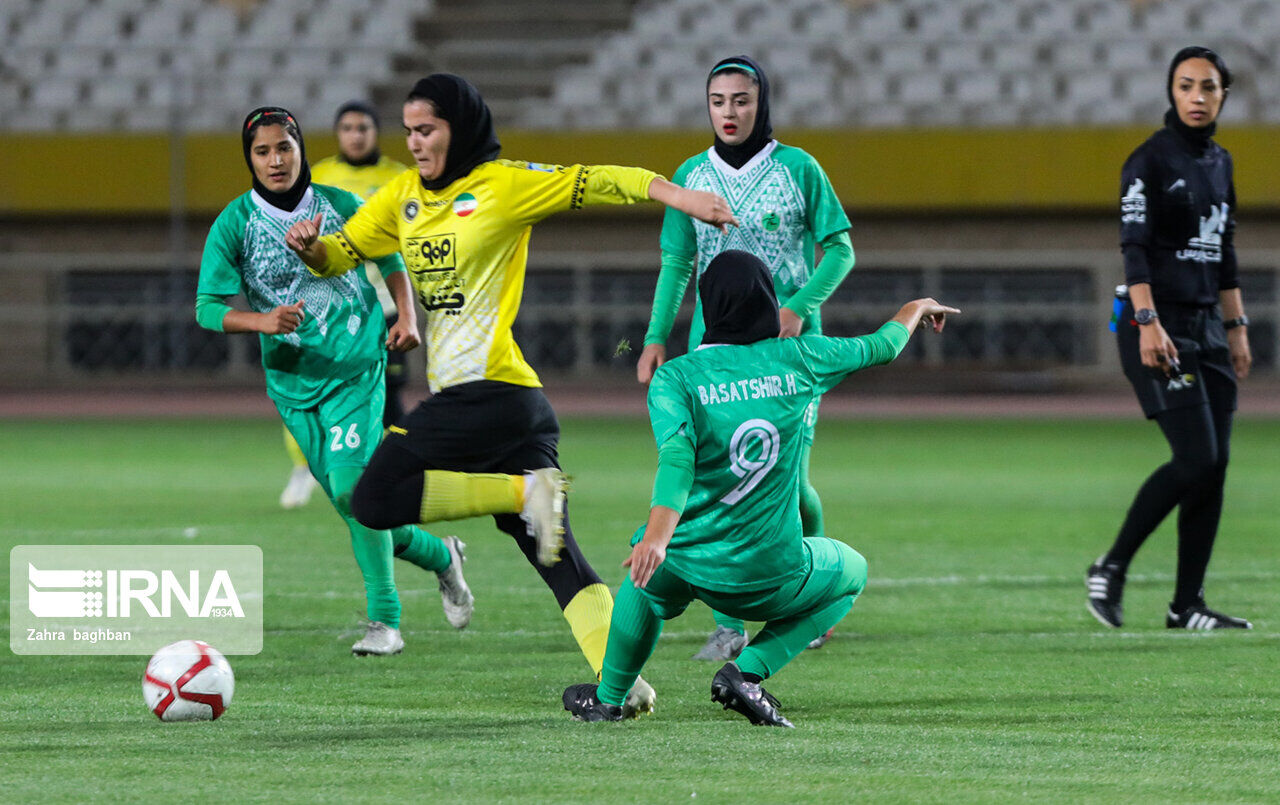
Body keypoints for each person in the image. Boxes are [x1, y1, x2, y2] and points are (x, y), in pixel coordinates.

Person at [284, 73, 738, 711]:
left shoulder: (501, 185)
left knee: (375, 496)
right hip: (510, 408)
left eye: (428, 130)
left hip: (490, 393)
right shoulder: (401, 197)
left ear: (460, 128)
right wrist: (313, 251)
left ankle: (524, 494)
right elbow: (344, 252)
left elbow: (598, 179)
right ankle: (624, 687)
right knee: (556, 559)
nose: (414, 142)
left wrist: (680, 196)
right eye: (409, 130)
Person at [563, 251, 958, 726]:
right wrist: (914, 307)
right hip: (769, 575)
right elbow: (882, 345)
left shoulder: (677, 377)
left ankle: (609, 698)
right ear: (769, 303)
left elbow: (677, 461)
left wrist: (657, 538)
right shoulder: (800, 356)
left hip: (691, 563)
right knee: (853, 572)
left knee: (644, 579)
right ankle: (746, 673)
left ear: (707, 310)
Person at [195, 105, 474, 656]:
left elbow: (393, 257)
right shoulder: (236, 223)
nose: (275, 160)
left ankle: (385, 623)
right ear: (249, 159)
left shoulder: (340, 205)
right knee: (357, 506)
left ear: (301, 149)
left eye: (284, 148)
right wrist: (260, 321)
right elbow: (206, 307)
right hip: (293, 383)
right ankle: (443, 556)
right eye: (262, 151)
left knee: (353, 489)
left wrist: (408, 317)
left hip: (354, 367)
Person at [636, 55, 856, 660]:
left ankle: (802, 592)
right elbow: (678, 263)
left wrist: (799, 306)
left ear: (763, 104)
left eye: (741, 100)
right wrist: (656, 337)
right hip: (714, 352)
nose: (729, 112)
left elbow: (839, 250)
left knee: (794, 482)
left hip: (786, 353)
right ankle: (733, 619)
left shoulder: (799, 168)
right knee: (716, 476)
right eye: (718, 101)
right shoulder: (690, 174)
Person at [1087, 46, 1253, 631]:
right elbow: (1133, 248)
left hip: (1208, 325)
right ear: (1172, 92)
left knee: (1216, 466)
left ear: (1223, 95)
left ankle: (1187, 606)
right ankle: (1110, 565)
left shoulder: (1222, 164)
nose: (1198, 97)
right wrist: (1150, 320)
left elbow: (1224, 253)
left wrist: (1235, 328)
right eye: (1186, 86)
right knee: (1197, 457)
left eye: (1209, 87)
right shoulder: (1149, 161)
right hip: (1155, 322)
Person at [278, 100, 411, 510]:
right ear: (338, 133)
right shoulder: (318, 176)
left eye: (364, 127)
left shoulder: (399, 177)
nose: (356, 135)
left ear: (376, 132)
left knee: (389, 391)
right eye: (349, 128)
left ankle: (395, 471)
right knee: (311, 387)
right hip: (331, 304)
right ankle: (306, 469)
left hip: (383, 300)